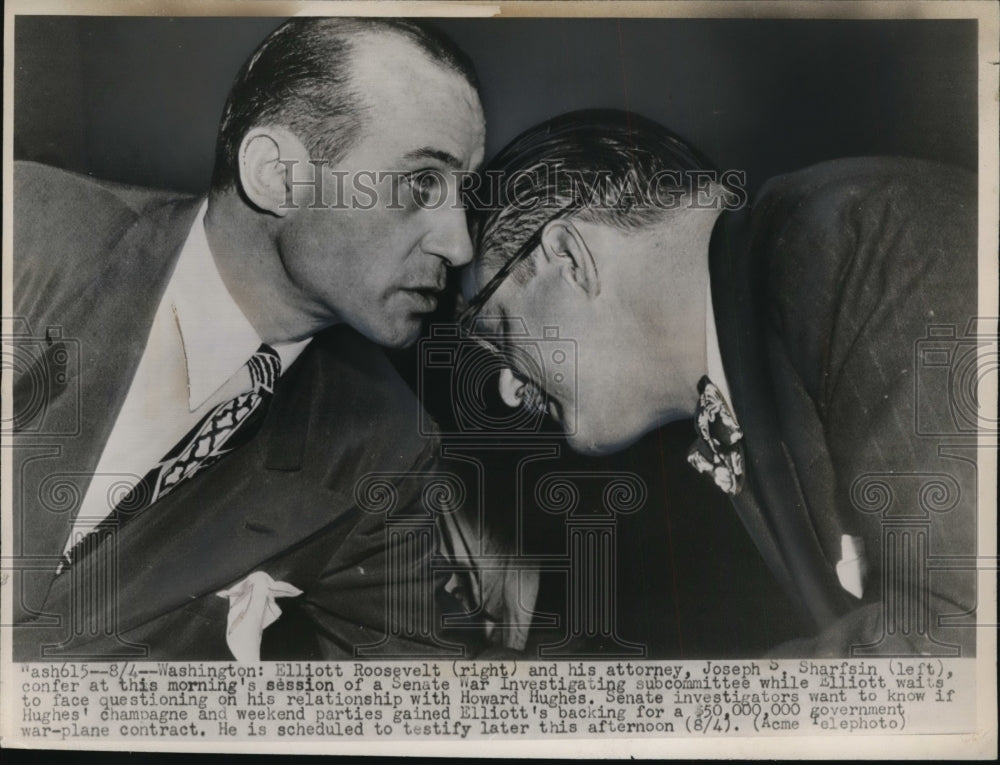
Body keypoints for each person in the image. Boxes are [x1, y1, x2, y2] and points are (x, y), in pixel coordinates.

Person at [11, 18, 487, 660]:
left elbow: (408, 699)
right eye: (424, 182)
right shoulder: (30, 227)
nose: (458, 244)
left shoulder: (385, 447)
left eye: (465, 196)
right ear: (276, 175)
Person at [462, 109, 978, 656]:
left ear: (569, 258)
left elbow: (956, 647)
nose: (505, 390)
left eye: (494, 331)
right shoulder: (746, 371)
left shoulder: (867, 238)